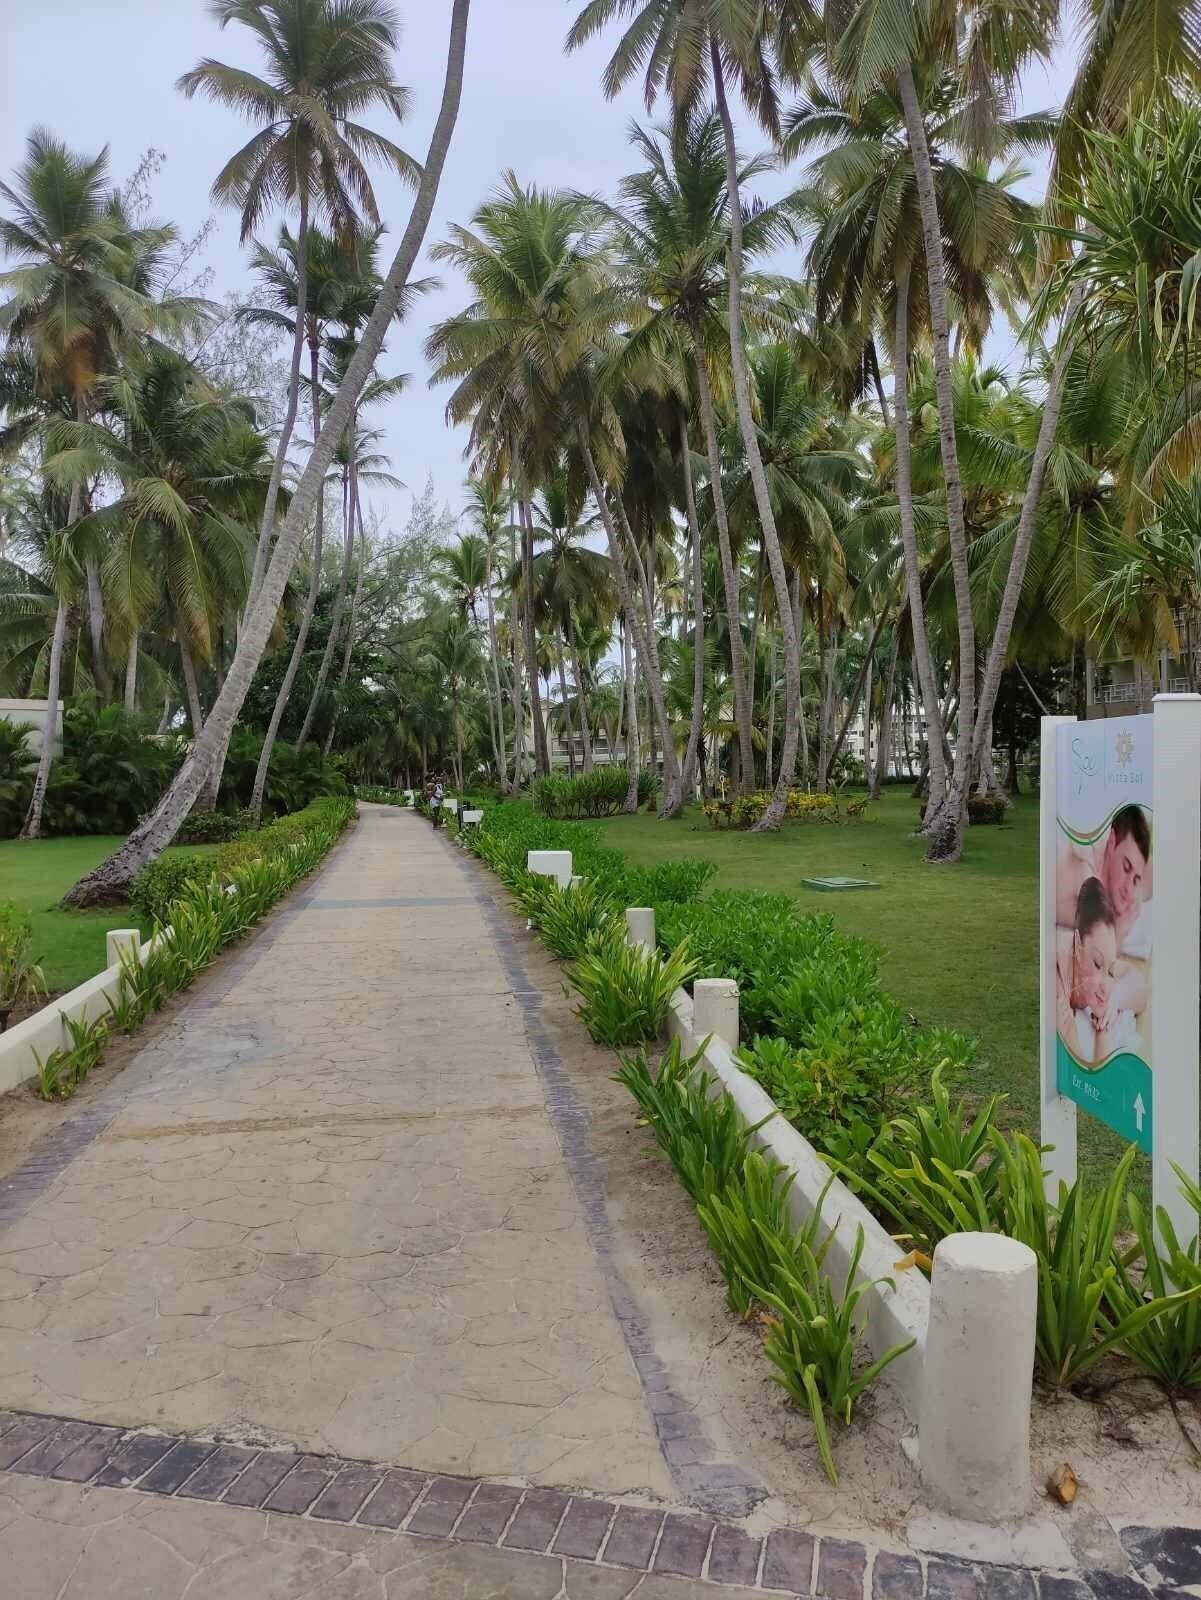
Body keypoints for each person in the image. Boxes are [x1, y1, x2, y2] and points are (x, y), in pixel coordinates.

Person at [1056, 877, 1138, 1065]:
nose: (1106, 987)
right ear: (1078, 946)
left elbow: (1141, 985)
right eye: (1097, 964)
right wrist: (1103, 1034)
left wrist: (1116, 1001)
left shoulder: (1099, 960)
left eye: (1110, 972)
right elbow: (1083, 1067)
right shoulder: (1058, 983)